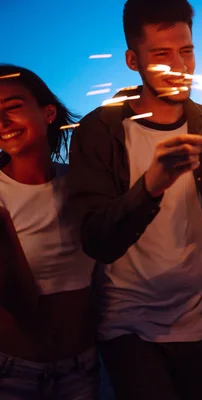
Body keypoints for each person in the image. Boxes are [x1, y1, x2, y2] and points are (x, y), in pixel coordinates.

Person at [66, 0, 202, 398]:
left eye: (186, 51)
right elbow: (97, 239)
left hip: (196, 315)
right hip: (125, 319)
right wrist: (151, 184)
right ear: (133, 60)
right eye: (162, 54)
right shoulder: (100, 130)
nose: (179, 66)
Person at [0, 65, 98, 399]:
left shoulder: (83, 184)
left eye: (13, 107)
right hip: (11, 372)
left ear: (49, 113)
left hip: (81, 369)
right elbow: (19, 302)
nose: (2, 123)